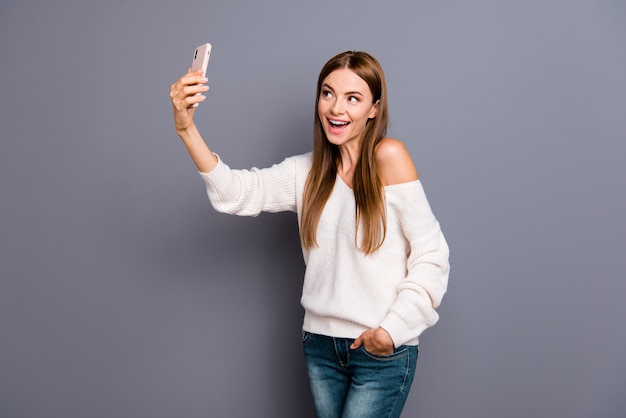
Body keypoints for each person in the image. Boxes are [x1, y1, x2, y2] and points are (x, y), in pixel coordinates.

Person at [170, 50, 450, 418]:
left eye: (353, 98)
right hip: (319, 347)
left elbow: (432, 255)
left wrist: (392, 330)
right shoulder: (307, 171)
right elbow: (234, 193)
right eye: (327, 93)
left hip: (380, 350)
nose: (336, 108)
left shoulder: (390, 157)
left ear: (374, 109)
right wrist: (186, 129)